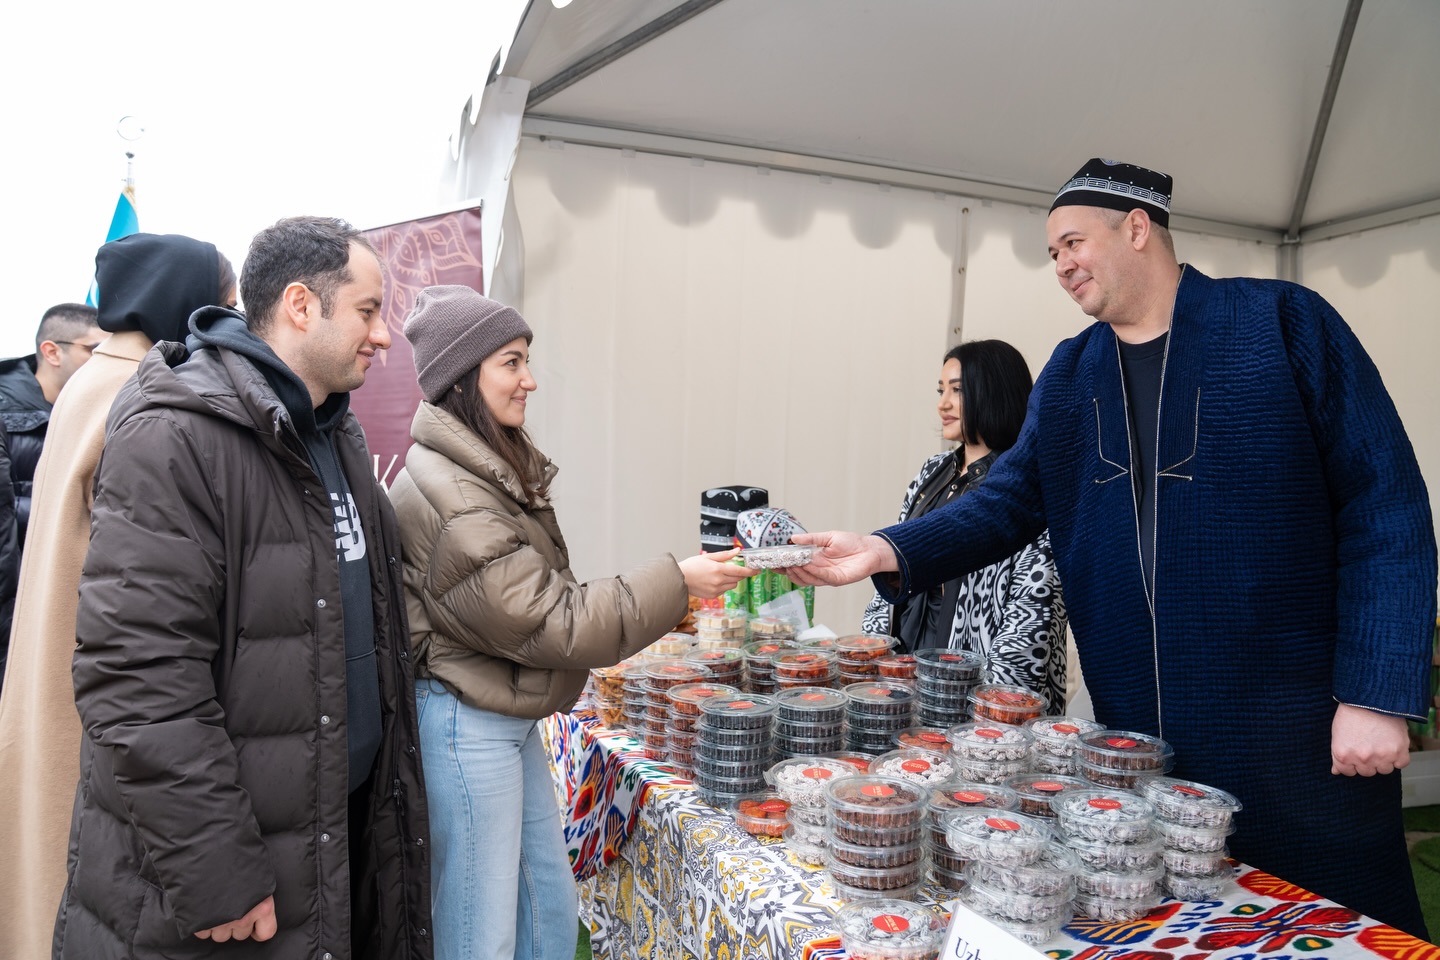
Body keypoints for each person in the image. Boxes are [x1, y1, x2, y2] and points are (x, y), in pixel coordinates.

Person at [786, 159, 1436, 938]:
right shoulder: (1071, 371)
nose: (1060, 265)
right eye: (1051, 252)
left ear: (1137, 227)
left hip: (1298, 726)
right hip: (1142, 744)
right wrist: (883, 549)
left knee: (1337, 926)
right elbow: (1006, 498)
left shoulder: (1284, 323)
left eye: (1071, 242)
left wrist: (1374, 695)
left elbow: (1386, 502)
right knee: (1177, 924)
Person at [53, 217, 432, 959]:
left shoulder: (336, 434)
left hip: (331, 840)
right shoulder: (178, 433)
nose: (384, 335)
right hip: (228, 884)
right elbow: (139, 678)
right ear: (300, 305)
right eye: (367, 310)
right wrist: (218, 872)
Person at [388, 285, 754, 960]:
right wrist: (679, 581)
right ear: (463, 378)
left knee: (546, 914)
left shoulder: (477, 468)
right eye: (511, 361)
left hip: (502, 718)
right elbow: (553, 620)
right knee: (481, 937)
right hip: (468, 728)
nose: (529, 380)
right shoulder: (455, 495)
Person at [0, 234, 235, 960]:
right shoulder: (139, 393)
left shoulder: (90, 381)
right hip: (93, 676)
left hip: (44, 663)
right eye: (220, 303)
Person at [860, 340, 1066, 709]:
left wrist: (991, 708)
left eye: (958, 390)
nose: (943, 403)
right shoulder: (932, 470)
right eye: (942, 390)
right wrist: (875, 660)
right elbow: (889, 561)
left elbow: (1035, 607)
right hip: (906, 671)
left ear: (995, 392)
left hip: (979, 695)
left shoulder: (1028, 485)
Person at [0, 302, 104, 550]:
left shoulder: (106, 410)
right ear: (52, 352)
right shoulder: (4, 411)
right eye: (96, 349)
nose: (105, 359)